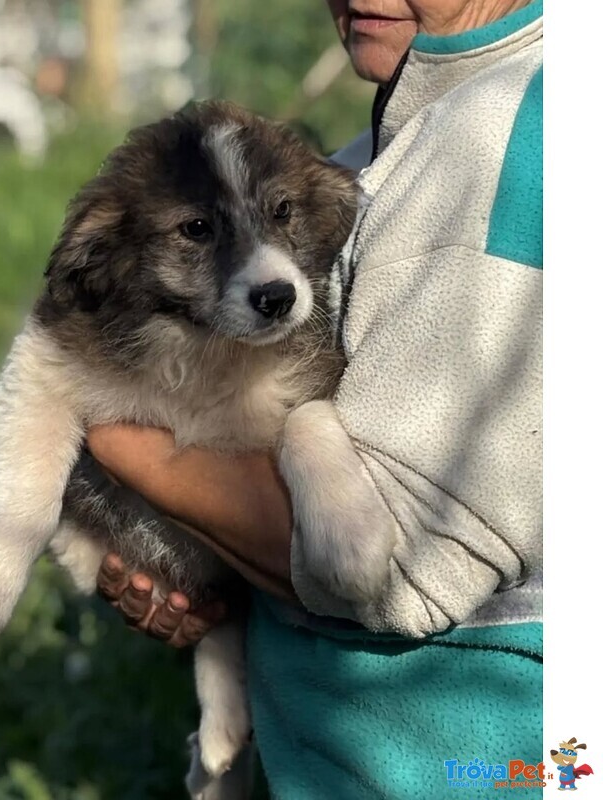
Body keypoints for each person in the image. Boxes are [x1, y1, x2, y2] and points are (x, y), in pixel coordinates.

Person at [85, 0, 543, 796]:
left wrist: (112, 441)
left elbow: (398, 562)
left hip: (484, 765)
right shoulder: (375, 148)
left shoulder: (515, 132)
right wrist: (194, 560)